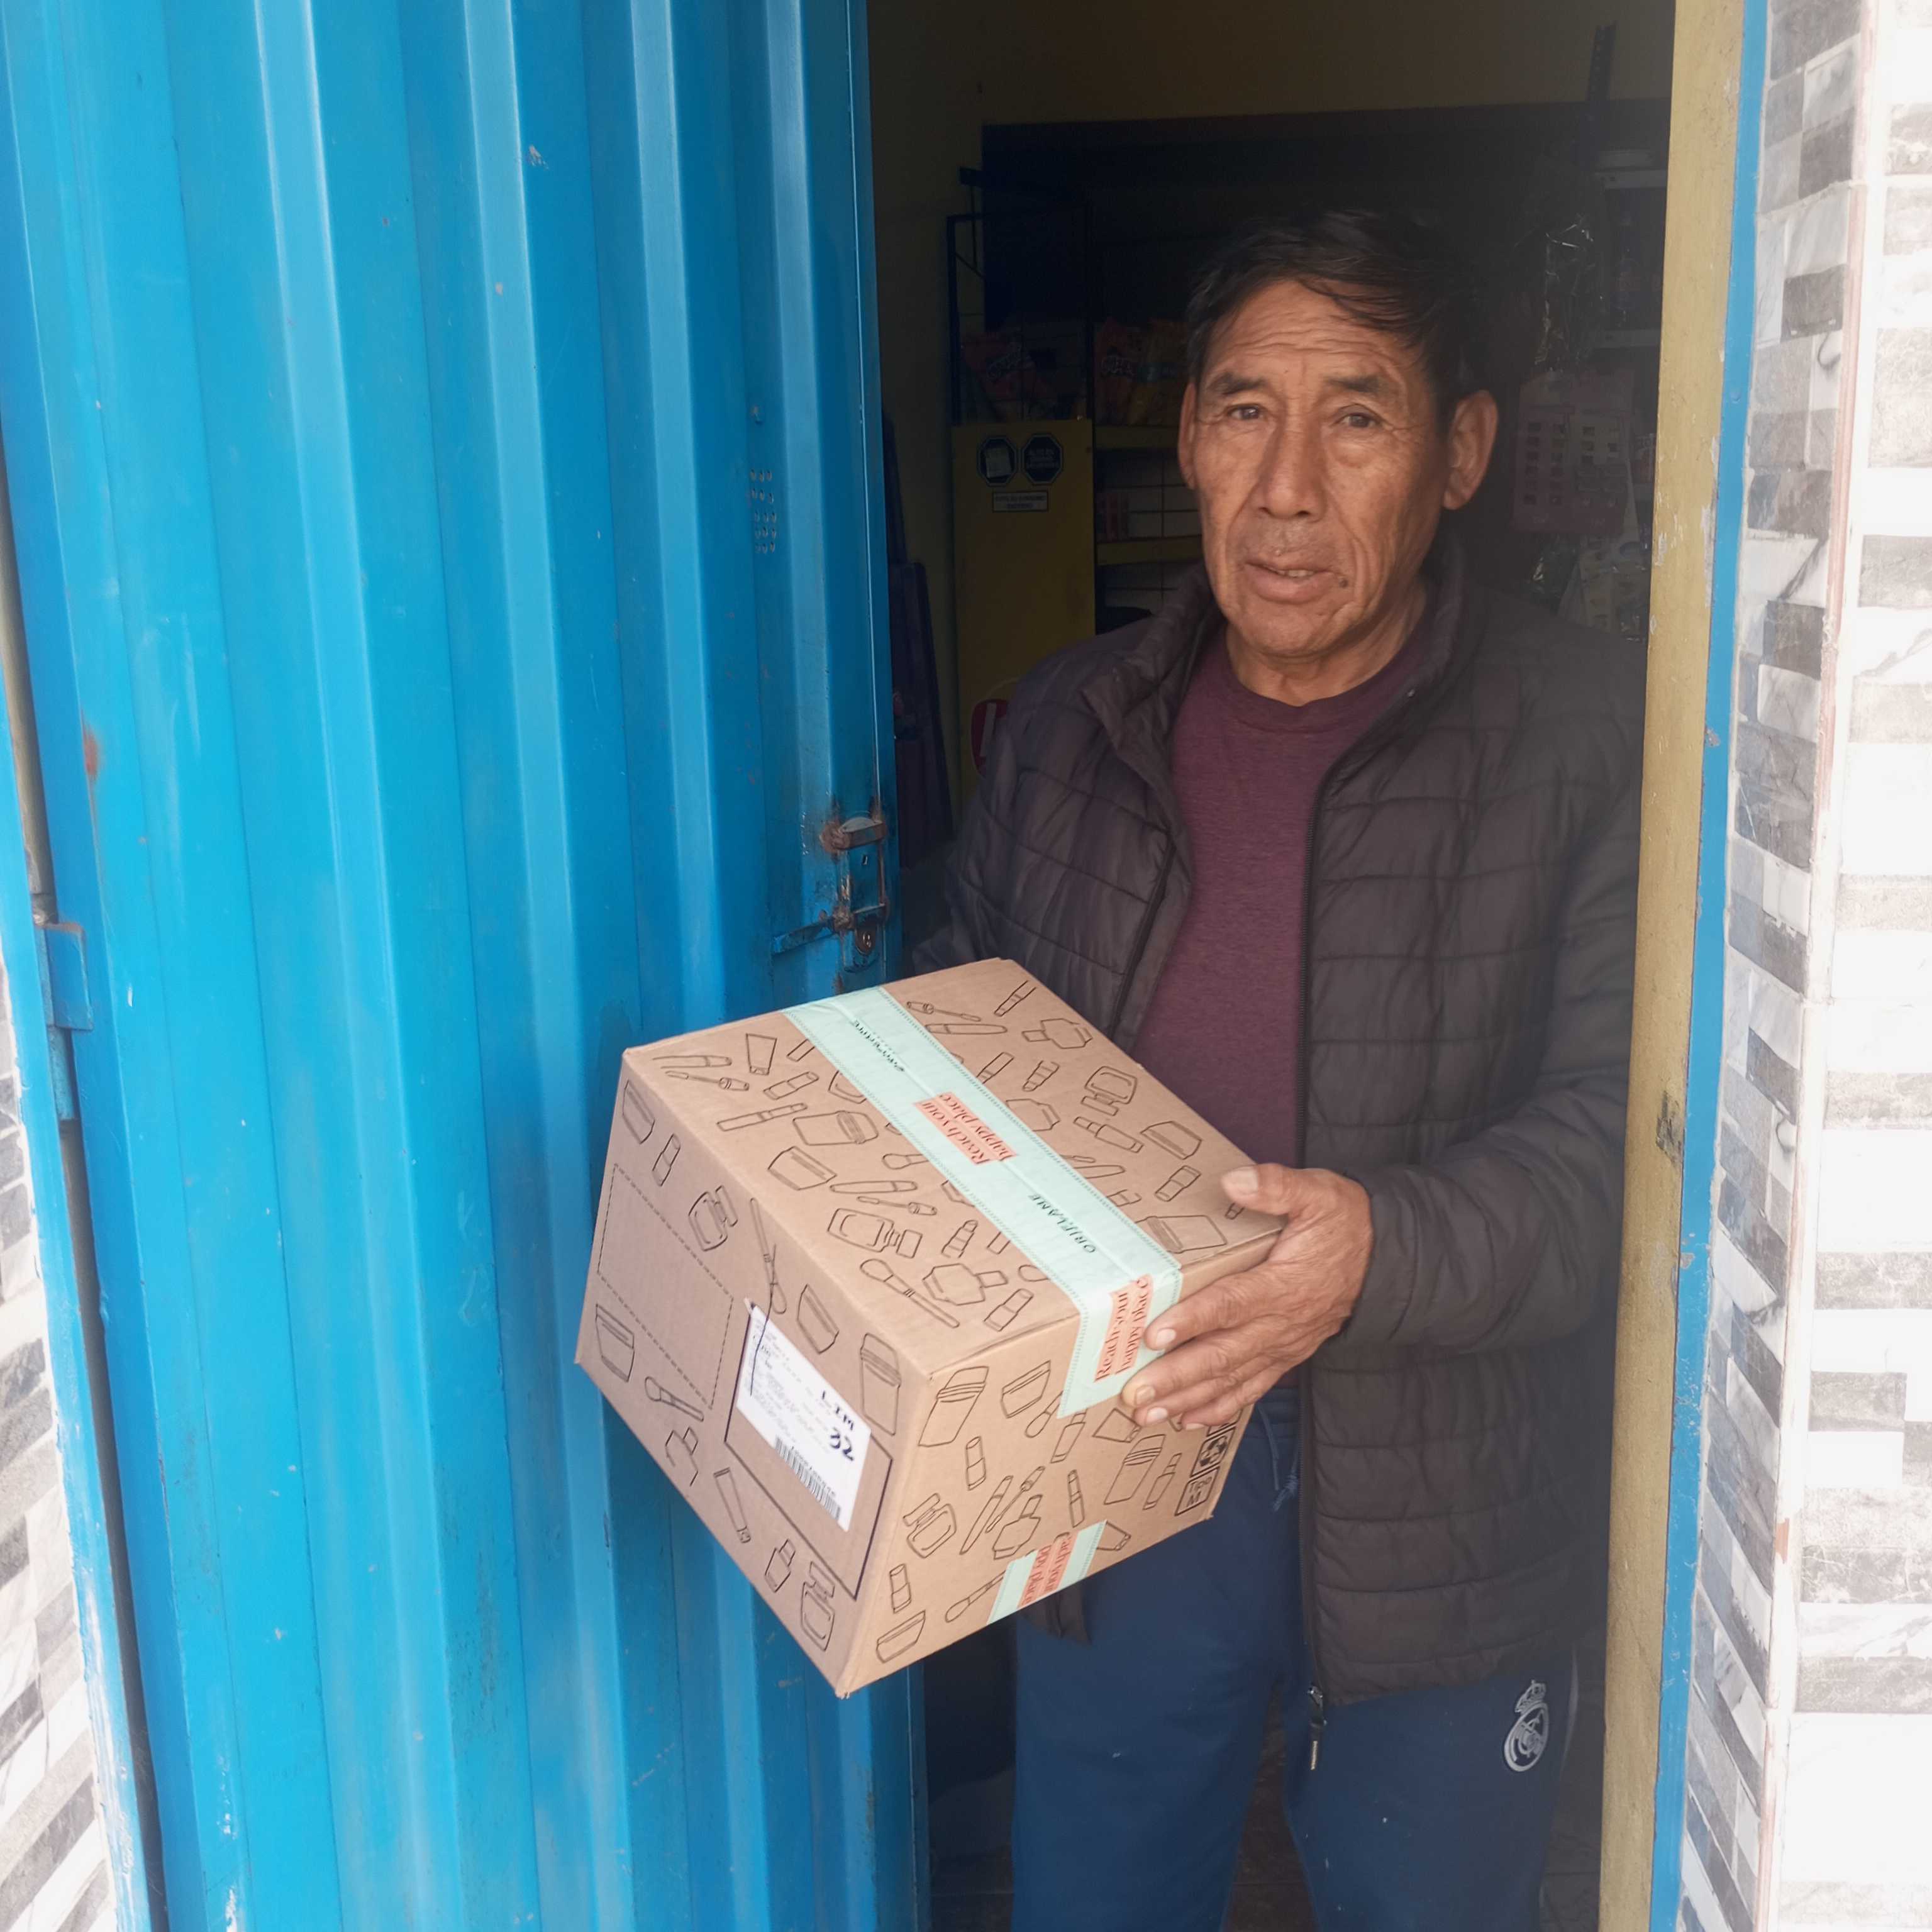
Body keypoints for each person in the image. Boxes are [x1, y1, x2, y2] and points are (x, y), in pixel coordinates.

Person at [915, 209, 1643, 1931]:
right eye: (1246, 411)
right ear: (1186, 438)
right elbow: (958, 1041)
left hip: (1442, 1491)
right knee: (1099, 1894)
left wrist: (1375, 1255)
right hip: (1126, 1439)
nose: (1288, 489)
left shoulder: (1589, 736)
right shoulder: (1069, 728)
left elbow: (1631, 1140)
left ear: (1462, 451)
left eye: (1358, 416)